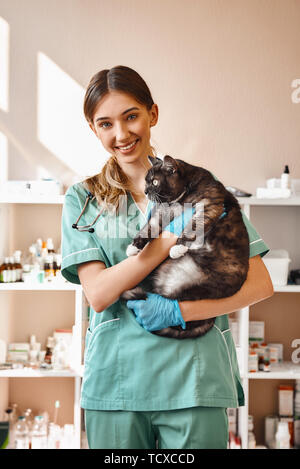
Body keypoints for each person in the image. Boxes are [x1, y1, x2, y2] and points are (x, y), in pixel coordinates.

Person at [61, 65, 274, 449]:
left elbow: (260, 282)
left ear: (152, 114)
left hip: (195, 379)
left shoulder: (201, 187)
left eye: (131, 117)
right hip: (117, 381)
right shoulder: (84, 199)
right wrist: (163, 241)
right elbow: (98, 293)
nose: (122, 135)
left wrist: (181, 313)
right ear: (94, 130)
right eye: (105, 123)